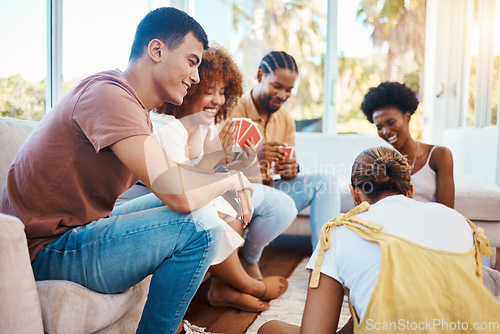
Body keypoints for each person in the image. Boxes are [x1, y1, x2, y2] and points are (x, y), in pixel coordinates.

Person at [1, 7, 255, 334]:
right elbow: (178, 192)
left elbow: (175, 181)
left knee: (200, 210)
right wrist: (229, 177)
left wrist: (213, 162)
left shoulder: (134, 110)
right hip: (45, 252)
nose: (196, 77)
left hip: (76, 233)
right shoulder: (108, 94)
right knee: (200, 228)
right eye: (193, 61)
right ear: (157, 50)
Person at [258, 146, 500, 334]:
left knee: (270, 329)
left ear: (355, 195)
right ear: (411, 191)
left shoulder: (340, 233)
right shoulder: (456, 220)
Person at [123, 44, 289, 312]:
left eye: (223, 92)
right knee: (216, 207)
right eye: (209, 92)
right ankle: (248, 284)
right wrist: (217, 163)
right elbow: (179, 183)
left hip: (179, 196)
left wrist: (232, 161)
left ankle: (223, 287)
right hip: (153, 203)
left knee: (232, 201)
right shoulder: (167, 127)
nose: (218, 100)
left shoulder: (201, 127)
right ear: (189, 89)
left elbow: (205, 173)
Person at [231, 51, 341, 250]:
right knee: (282, 205)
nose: (283, 95)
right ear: (260, 76)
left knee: (327, 182)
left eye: (289, 89)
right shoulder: (233, 110)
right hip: (241, 191)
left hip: (273, 189)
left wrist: (292, 170)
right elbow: (219, 168)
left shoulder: (286, 119)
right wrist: (256, 156)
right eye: (277, 86)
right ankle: (250, 257)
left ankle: (324, 261)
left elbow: (288, 170)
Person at [360, 81, 455, 208]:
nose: (385, 131)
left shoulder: (439, 155)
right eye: (379, 127)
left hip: (429, 225)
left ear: (407, 118)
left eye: (391, 122)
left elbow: (447, 212)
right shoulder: (379, 162)